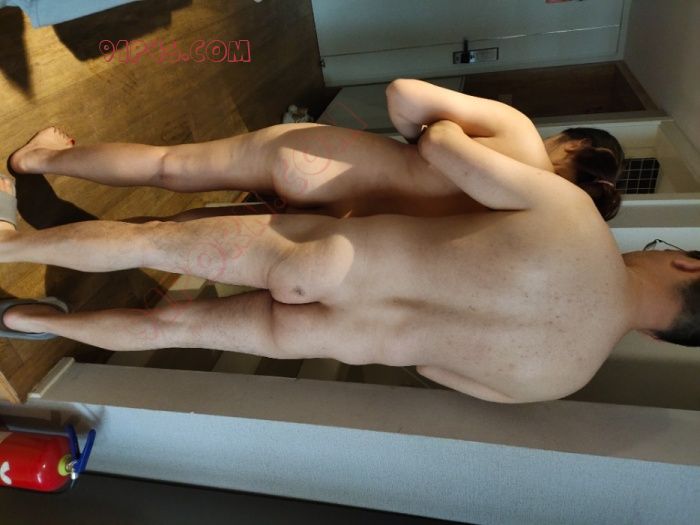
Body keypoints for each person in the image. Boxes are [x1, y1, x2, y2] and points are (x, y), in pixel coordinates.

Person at [0, 119, 696, 403]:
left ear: (689, 268)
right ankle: (28, 321)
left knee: (151, 241)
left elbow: (444, 150)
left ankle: (8, 244)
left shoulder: (576, 221)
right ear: (665, 336)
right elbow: (433, 368)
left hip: (328, 258)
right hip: (329, 334)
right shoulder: (561, 380)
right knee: (169, 327)